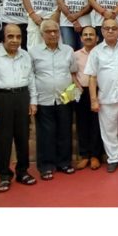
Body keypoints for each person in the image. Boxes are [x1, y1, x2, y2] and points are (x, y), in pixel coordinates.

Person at [0, 24, 38, 192]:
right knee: (2, 140)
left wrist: (33, 101)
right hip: (1, 98)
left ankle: (23, 171)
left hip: (22, 97)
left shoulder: (26, 55)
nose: (15, 40)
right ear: (3, 37)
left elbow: (31, 79)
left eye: (18, 37)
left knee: (23, 137)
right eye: (10, 36)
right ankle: (4, 175)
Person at [84, 18, 118, 173]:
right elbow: (92, 77)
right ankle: (113, 158)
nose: (111, 31)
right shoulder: (96, 51)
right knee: (109, 131)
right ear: (102, 31)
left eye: (114, 28)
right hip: (106, 99)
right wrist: (93, 100)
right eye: (107, 28)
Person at [30, 20, 78, 180]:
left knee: (65, 131)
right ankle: (46, 166)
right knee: (45, 134)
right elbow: (31, 77)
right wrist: (33, 101)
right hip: (43, 99)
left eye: (55, 31)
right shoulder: (33, 52)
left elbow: (72, 74)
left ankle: (64, 163)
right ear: (42, 34)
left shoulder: (68, 50)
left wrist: (73, 94)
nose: (52, 34)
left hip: (65, 98)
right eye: (48, 31)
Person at [73, 26, 104, 170]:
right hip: (81, 91)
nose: (88, 37)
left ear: (97, 38)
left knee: (97, 124)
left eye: (91, 34)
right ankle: (85, 155)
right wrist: (77, 85)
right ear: (81, 38)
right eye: (85, 35)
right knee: (82, 123)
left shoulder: (102, 53)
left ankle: (96, 156)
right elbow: (72, 73)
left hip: (100, 91)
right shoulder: (75, 55)